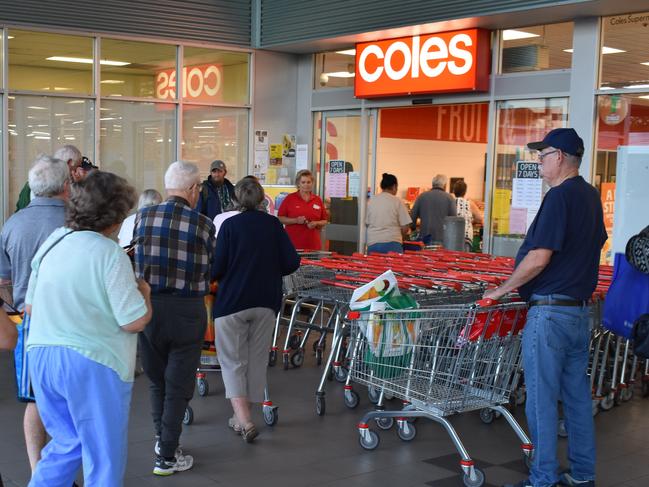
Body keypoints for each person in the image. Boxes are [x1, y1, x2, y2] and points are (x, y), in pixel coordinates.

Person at [483, 128, 606, 487]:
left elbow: (539, 258)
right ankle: (583, 475)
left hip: (550, 313)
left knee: (540, 400)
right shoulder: (590, 197)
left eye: (544, 153)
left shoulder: (559, 198)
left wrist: (501, 290)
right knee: (577, 400)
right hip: (579, 313)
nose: (539, 160)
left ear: (562, 157)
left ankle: (542, 479)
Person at [25, 171, 152, 487]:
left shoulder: (52, 243)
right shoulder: (109, 254)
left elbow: (30, 306)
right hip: (93, 362)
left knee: (65, 444)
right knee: (103, 453)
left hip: (42, 356)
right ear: (114, 217)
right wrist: (145, 294)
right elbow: (133, 320)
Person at [133, 161, 216, 476]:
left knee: (156, 381)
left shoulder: (142, 218)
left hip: (149, 308)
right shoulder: (204, 225)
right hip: (186, 310)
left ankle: (162, 442)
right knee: (179, 385)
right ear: (194, 189)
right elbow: (212, 268)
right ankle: (166, 455)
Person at [213, 178, 300, 442]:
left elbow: (217, 268)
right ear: (262, 200)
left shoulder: (229, 226)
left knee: (232, 361)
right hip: (266, 301)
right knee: (256, 361)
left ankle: (245, 420)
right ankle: (240, 419)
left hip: (232, 302)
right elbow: (291, 262)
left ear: (236, 199)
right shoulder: (273, 225)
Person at [0, 155, 69, 475]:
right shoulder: (77, 222)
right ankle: (64, 472)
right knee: (74, 402)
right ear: (65, 186)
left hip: (31, 324)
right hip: (75, 323)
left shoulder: (12, 224)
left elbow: (4, 280)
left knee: (35, 399)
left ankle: (39, 472)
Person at [15, 145, 83, 212]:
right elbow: (76, 212)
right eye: (77, 167)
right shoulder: (59, 186)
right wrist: (79, 185)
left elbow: (19, 210)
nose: (76, 172)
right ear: (69, 163)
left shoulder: (32, 181)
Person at [278, 169, 328, 250]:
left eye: (309, 182)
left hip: (313, 246)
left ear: (312, 183)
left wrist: (316, 223)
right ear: (298, 183)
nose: (306, 185)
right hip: (293, 245)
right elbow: (280, 218)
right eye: (303, 182)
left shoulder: (317, 200)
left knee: (312, 263)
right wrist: (296, 220)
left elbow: (325, 220)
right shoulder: (290, 199)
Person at [365, 173, 412, 254]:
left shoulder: (371, 201)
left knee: (374, 267)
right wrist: (400, 236)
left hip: (373, 244)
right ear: (394, 186)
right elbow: (405, 227)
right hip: (392, 245)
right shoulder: (397, 201)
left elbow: (367, 223)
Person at [410, 174, 456, 245]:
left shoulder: (421, 197)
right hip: (442, 239)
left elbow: (412, 217)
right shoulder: (449, 198)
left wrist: (414, 229)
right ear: (445, 185)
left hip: (424, 239)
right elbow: (454, 221)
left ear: (432, 184)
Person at [452, 180, 483, 251]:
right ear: (465, 191)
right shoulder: (469, 203)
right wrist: (471, 220)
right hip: (466, 236)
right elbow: (479, 218)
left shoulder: (451, 202)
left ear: (454, 191)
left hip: (453, 234)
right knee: (464, 257)